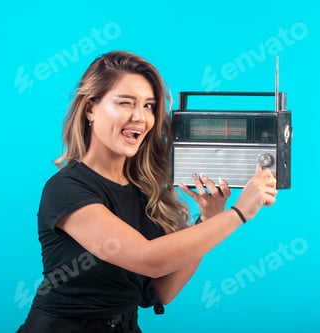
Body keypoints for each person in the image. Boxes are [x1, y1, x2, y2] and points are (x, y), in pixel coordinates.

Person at [16, 50, 277, 333]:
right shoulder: (66, 189)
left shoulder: (143, 189)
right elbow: (149, 259)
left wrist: (211, 218)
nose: (140, 117)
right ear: (91, 108)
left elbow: (162, 290)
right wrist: (239, 213)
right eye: (126, 103)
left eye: (149, 106)